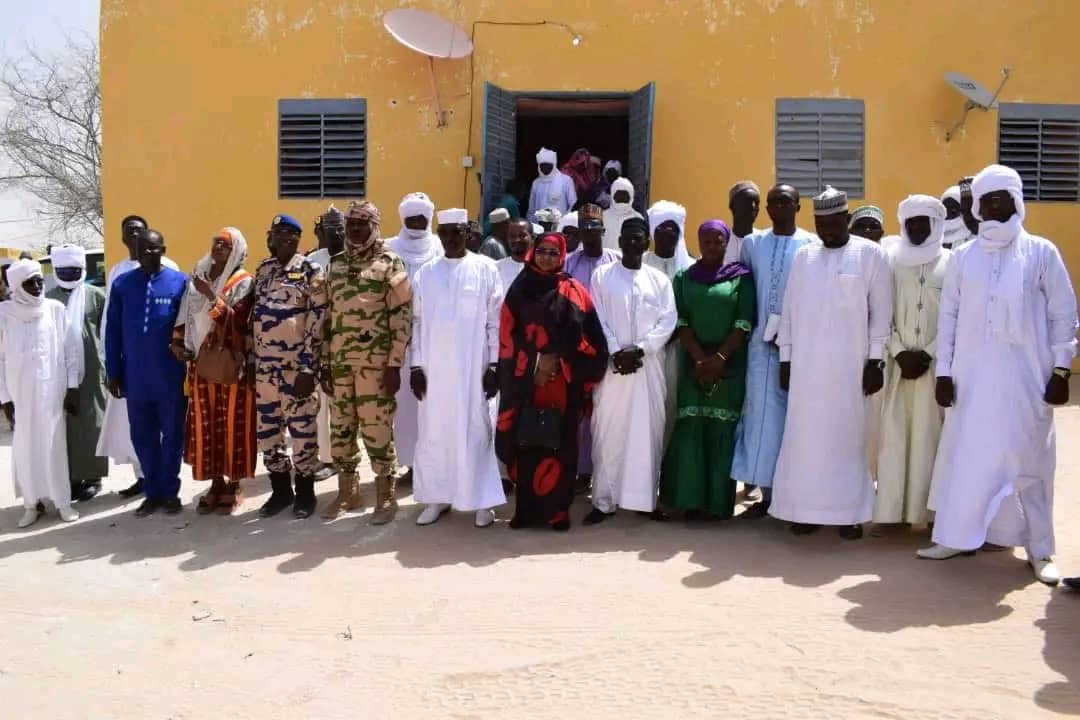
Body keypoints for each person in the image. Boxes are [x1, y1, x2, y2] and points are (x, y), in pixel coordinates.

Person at [919, 165, 1078, 586]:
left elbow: (1064, 313)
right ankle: (958, 535)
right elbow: (949, 317)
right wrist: (945, 372)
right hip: (972, 380)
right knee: (968, 458)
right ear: (977, 206)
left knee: (1030, 461)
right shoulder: (965, 257)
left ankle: (1040, 550)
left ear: (1016, 201)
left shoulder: (1041, 252)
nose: (993, 207)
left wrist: (1062, 368)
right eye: (986, 200)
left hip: (1027, 379)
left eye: (1001, 198)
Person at [769, 187, 892, 539]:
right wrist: (786, 359)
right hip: (807, 368)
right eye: (820, 223)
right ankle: (806, 510)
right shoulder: (804, 257)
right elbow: (789, 311)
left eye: (834, 222)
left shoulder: (870, 255)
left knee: (848, 440)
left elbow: (881, 315)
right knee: (805, 440)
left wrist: (875, 362)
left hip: (850, 368)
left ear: (847, 218)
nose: (827, 230)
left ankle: (849, 513)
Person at [495, 232, 609, 530]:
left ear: (562, 256)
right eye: (542, 251)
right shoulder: (519, 290)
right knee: (528, 444)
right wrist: (534, 364)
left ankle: (558, 513)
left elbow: (591, 337)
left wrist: (558, 359)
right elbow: (508, 335)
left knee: (561, 447)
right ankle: (526, 512)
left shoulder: (574, 290)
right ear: (533, 253)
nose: (546, 257)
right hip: (528, 386)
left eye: (553, 253)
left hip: (563, 383)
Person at [410, 208, 505, 527]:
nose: (450, 239)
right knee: (434, 433)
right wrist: (416, 366)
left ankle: (481, 501)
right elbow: (417, 323)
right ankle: (438, 498)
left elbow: (495, 322)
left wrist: (494, 364)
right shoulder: (426, 273)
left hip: (473, 370)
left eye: (457, 232)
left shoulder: (486, 268)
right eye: (445, 232)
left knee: (476, 430)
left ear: (468, 233)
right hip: (435, 371)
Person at [320, 200, 411, 524]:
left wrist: (394, 365)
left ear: (374, 227)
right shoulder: (337, 264)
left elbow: (402, 318)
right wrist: (324, 363)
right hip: (340, 363)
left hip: (375, 367)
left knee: (377, 430)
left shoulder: (390, 263)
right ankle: (348, 492)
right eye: (351, 224)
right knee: (341, 431)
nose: (355, 230)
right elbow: (328, 318)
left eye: (362, 224)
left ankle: (386, 495)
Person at [660, 221, 755, 519]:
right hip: (693, 361)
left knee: (721, 429)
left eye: (718, 241)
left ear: (726, 244)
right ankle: (689, 502)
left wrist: (719, 359)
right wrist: (701, 359)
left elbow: (744, 321)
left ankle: (716, 505)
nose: (713, 247)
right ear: (698, 243)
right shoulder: (684, 278)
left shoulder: (741, 278)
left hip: (730, 364)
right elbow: (682, 320)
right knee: (691, 427)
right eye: (707, 242)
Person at [587, 217, 678, 524]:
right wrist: (616, 350)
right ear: (620, 241)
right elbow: (596, 316)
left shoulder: (659, 281)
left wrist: (640, 348)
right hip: (613, 370)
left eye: (639, 238)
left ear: (646, 243)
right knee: (608, 432)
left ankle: (643, 500)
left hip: (648, 368)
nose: (633, 243)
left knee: (647, 433)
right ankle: (603, 501)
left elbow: (668, 320)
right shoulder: (602, 276)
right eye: (627, 237)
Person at [730, 185, 814, 516]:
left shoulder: (810, 245)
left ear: (797, 206)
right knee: (762, 419)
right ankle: (766, 494)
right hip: (759, 348)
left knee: (795, 419)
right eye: (773, 202)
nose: (778, 207)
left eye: (785, 201)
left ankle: (793, 493)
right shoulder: (753, 244)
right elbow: (746, 290)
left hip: (800, 347)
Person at [873, 195, 951, 527]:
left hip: (935, 368)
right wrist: (899, 351)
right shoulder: (890, 261)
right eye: (911, 222)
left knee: (929, 440)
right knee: (893, 439)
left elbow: (955, 315)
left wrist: (929, 352)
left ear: (936, 224)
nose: (917, 227)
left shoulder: (952, 261)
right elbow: (880, 312)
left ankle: (927, 516)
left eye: (924, 221)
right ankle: (891, 515)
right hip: (897, 366)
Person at [105, 229, 189, 517]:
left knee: (173, 436)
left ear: (163, 249)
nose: (148, 254)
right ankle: (152, 492)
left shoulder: (180, 283)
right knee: (143, 437)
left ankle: (170, 492)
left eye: (154, 249)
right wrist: (113, 371)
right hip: (136, 377)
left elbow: (188, 328)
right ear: (135, 252)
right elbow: (112, 330)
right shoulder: (123, 284)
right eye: (143, 249)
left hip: (170, 377)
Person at [173, 227, 256, 516]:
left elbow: (238, 323)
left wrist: (212, 296)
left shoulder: (243, 282)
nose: (219, 247)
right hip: (200, 363)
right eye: (216, 242)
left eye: (225, 244)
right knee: (205, 424)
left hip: (229, 363)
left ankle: (234, 485)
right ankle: (215, 483)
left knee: (232, 422)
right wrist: (177, 342)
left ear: (236, 250)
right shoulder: (199, 275)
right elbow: (185, 314)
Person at [251, 214, 327, 519]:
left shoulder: (311, 270)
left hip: (296, 371)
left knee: (303, 433)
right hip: (264, 373)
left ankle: (306, 494)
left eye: (289, 234)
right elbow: (253, 320)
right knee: (268, 434)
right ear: (270, 237)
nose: (283, 239)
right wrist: (251, 364)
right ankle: (280, 491)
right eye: (278, 233)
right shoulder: (264, 270)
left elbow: (317, 321)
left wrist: (309, 369)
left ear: (297, 239)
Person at [0, 259, 80, 527]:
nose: (36, 287)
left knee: (54, 446)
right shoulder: (4, 314)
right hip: (19, 394)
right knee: (25, 448)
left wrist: (72, 386)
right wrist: (4, 399)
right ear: (15, 286)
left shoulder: (54, 309)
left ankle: (63, 502)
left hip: (51, 391)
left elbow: (70, 350)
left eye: (38, 281)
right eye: (29, 283)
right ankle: (31, 504)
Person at [564, 202, 621, 490]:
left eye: (593, 227)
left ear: (603, 229)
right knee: (580, 411)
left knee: (606, 409)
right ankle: (583, 471)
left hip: (608, 344)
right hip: (577, 347)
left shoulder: (615, 259)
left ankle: (606, 470)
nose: (588, 232)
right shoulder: (569, 263)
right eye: (584, 227)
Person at [386, 192, 443, 479]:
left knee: (432, 403)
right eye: (411, 219)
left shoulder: (440, 247)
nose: (417, 224)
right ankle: (410, 463)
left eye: (422, 219)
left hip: (433, 336)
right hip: (399, 340)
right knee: (405, 406)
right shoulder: (390, 248)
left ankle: (433, 463)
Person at [46, 245, 108, 503]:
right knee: (66, 425)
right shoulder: (49, 298)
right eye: (64, 271)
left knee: (93, 422)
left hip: (93, 368)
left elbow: (106, 331)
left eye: (74, 271)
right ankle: (70, 478)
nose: (69, 276)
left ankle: (93, 477)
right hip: (59, 370)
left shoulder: (96, 295)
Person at [643, 200, 694, 448]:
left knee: (674, 404)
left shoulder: (691, 267)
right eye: (663, 228)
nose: (669, 233)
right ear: (653, 231)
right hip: (647, 348)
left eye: (674, 228)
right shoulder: (640, 263)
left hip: (679, 349)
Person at [309, 206, 346, 482]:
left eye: (339, 226)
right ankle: (327, 457)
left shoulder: (355, 260)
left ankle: (347, 455)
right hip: (321, 343)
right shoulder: (312, 261)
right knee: (322, 402)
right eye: (329, 227)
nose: (334, 232)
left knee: (346, 403)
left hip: (350, 343)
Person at [527, 147, 576, 222]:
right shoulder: (536, 183)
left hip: (560, 226)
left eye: (548, 165)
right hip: (539, 227)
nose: (545, 168)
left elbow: (573, 204)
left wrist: (565, 222)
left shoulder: (566, 180)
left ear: (554, 165)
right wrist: (532, 225)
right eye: (542, 165)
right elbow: (531, 208)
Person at [601, 178, 644, 250]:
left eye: (625, 195)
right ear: (612, 196)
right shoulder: (602, 217)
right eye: (618, 194)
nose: (621, 198)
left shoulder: (638, 218)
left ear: (631, 197)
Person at [726, 181, 761, 265]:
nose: (753, 206)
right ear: (732, 207)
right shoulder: (721, 242)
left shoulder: (763, 241)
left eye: (756, 203)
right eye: (748, 201)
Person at [496, 218, 534, 293]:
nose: (517, 239)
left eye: (522, 235)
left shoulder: (540, 268)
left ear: (532, 238)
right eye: (512, 236)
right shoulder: (496, 268)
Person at [941, 185, 975, 249]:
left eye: (954, 210)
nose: (949, 215)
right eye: (945, 210)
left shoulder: (976, 241)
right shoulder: (933, 240)